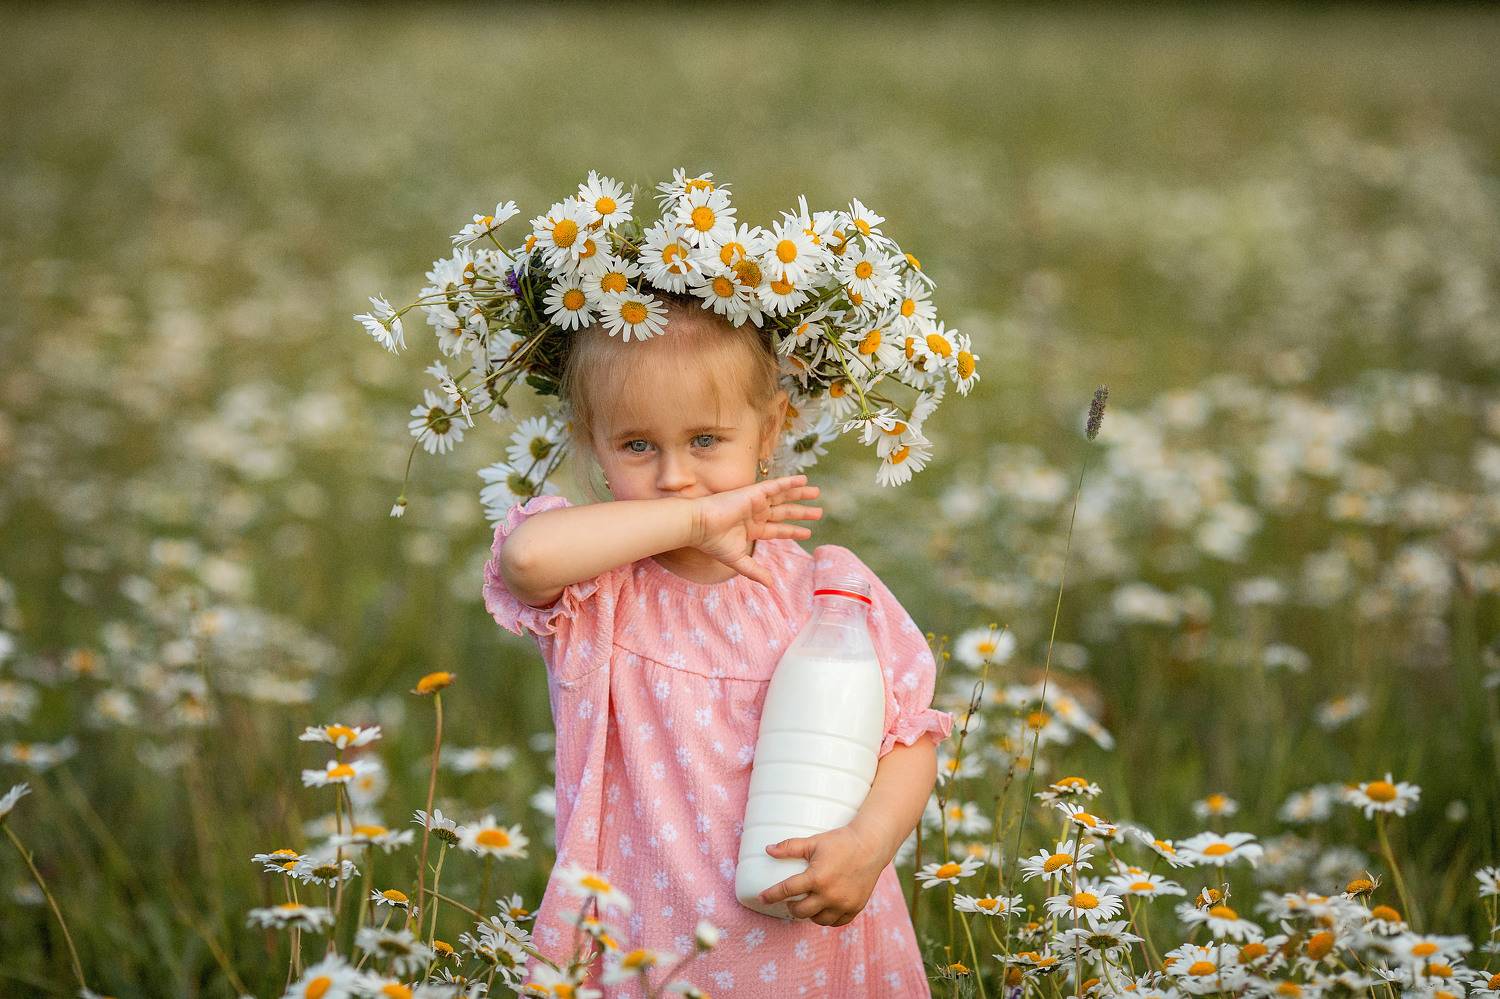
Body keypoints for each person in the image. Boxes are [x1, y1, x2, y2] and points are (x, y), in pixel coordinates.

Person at [483, 292, 954, 996]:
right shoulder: (602, 590)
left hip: (805, 942)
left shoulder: (827, 595)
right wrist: (699, 518)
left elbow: (910, 737)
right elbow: (525, 560)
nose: (674, 476)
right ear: (591, 441)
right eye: (637, 444)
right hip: (644, 933)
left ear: (770, 431)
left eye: (705, 440)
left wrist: (869, 844)